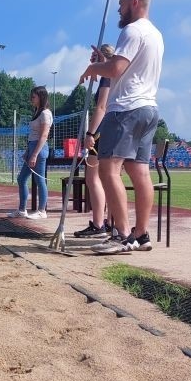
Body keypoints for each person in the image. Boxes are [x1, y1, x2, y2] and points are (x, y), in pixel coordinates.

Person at [79, 0, 164, 254]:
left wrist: (94, 67)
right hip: (149, 108)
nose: (119, 9)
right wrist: (103, 60)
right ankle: (141, 234)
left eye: (122, 4)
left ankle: (122, 235)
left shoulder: (132, 30)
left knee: (107, 169)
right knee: (140, 172)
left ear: (134, 2)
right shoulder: (155, 34)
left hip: (126, 108)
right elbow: (125, 66)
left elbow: (116, 69)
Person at [74, 44, 116, 238]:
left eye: (94, 58)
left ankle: (99, 224)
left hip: (102, 133)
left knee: (94, 178)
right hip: (110, 131)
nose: (92, 61)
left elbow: (101, 107)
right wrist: (91, 74)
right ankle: (106, 223)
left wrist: (90, 133)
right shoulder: (111, 76)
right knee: (105, 179)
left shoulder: (108, 77)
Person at [8, 86, 52, 219]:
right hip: (32, 147)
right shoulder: (37, 112)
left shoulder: (45, 113)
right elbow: (33, 135)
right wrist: (28, 151)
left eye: (33, 97)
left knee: (39, 180)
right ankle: (22, 210)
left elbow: (44, 135)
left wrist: (34, 154)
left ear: (41, 97)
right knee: (21, 179)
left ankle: (42, 211)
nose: (31, 99)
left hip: (40, 149)